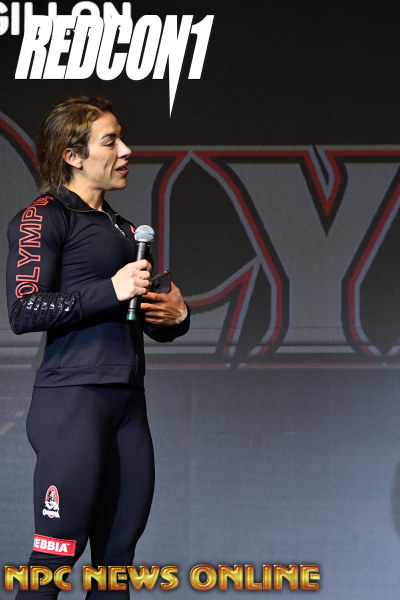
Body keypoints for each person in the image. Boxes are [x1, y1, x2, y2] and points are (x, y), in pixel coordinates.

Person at [5, 96, 190, 598]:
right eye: (110, 141)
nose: (126, 151)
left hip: (128, 406)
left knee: (116, 565)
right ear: (72, 155)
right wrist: (111, 288)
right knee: (54, 557)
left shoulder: (127, 230)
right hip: (72, 402)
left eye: (122, 138)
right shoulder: (42, 217)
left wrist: (177, 317)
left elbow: (151, 320)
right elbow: (24, 310)